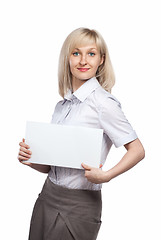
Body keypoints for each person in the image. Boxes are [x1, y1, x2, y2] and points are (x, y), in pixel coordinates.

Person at [18, 28, 145, 240]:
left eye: (91, 53)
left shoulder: (104, 104)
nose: (83, 60)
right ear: (67, 58)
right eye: (76, 53)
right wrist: (31, 158)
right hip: (47, 196)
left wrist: (106, 175)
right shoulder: (62, 105)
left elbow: (138, 150)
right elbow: (51, 166)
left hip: (79, 204)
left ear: (101, 60)